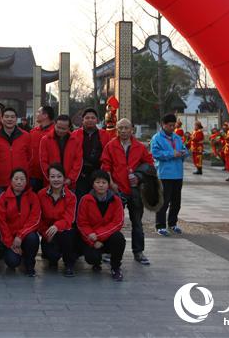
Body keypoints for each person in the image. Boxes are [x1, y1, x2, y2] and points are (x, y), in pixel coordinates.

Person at [101, 118, 154, 265]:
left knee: (137, 222)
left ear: (132, 129)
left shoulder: (140, 147)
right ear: (117, 130)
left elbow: (149, 165)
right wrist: (111, 183)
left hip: (135, 191)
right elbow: (106, 166)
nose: (123, 131)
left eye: (126, 128)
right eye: (120, 128)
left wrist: (139, 177)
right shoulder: (110, 146)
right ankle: (109, 251)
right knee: (113, 222)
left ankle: (138, 252)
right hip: (117, 189)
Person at [77, 169, 126, 281]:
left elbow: (118, 222)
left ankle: (116, 267)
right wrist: (92, 240)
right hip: (92, 238)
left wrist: (99, 236)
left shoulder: (116, 200)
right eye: (98, 182)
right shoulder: (85, 200)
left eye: (104, 182)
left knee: (118, 238)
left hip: (106, 237)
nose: (101, 185)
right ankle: (96, 262)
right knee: (91, 257)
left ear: (108, 185)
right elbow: (82, 223)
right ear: (93, 184)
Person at [0, 169, 41, 277]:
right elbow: (1, 223)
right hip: (10, 239)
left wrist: (20, 236)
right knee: (12, 262)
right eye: (16, 179)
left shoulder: (32, 197)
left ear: (26, 182)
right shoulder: (3, 198)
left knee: (33, 238)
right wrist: (11, 243)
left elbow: (35, 220)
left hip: (25, 236)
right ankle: (15, 255)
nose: (19, 182)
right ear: (11, 181)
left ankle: (29, 264)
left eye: (22, 179)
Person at [151, 113, 189, 236]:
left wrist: (184, 153)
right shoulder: (156, 138)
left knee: (176, 202)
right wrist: (172, 154)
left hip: (178, 174)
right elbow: (155, 154)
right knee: (164, 202)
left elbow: (185, 149)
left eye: (174, 125)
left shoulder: (177, 138)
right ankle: (160, 225)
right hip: (164, 174)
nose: (172, 128)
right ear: (163, 125)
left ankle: (173, 223)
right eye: (170, 125)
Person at [37, 163, 77, 277]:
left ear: (64, 178)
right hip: (48, 233)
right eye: (53, 176)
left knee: (68, 233)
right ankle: (53, 258)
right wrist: (45, 233)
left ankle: (69, 264)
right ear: (48, 178)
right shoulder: (40, 194)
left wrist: (57, 226)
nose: (56, 179)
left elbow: (69, 218)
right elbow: (38, 218)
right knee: (52, 256)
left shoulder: (71, 196)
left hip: (63, 231)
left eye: (59, 176)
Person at [0, 107, 32, 208]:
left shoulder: (26, 136)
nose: (9, 119)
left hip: (20, 182)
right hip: (1, 182)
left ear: (16, 119)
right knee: (1, 209)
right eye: (7, 116)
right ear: (2, 119)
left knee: (20, 209)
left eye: (12, 117)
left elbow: (30, 157)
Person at [72, 108, 112, 201]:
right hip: (81, 175)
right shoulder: (75, 135)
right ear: (83, 120)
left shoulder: (105, 135)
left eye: (93, 118)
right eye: (87, 118)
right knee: (81, 201)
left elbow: (109, 155)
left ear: (97, 120)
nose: (90, 120)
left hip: (99, 174)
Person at [39, 114, 80, 191]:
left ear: (69, 128)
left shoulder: (76, 141)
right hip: (50, 183)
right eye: (58, 127)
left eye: (63, 129)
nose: (60, 131)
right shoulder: (45, 140)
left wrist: (70, 179)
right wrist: (51, 178)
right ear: (55, 124)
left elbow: (78, 162)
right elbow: (43, 162)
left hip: (69, 184)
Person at [28, 105, 55, 192]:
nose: (36, 114)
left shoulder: (56, 133)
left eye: (38, 112)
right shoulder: (33, 132)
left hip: (49, 176)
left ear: (45, 115)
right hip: (33, 175)